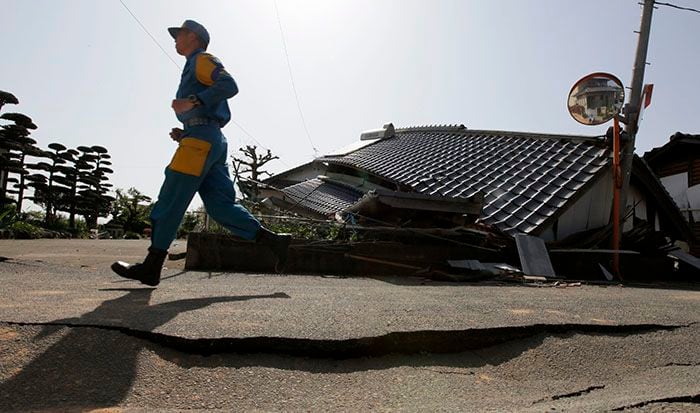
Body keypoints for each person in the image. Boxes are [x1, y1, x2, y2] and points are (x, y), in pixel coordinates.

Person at [112, 20, 290, 286]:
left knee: (171, 199)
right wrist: (187, 131)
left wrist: (193, 102)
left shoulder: (201, 59)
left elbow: (229, 84)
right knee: (221, 206)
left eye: (178, 35)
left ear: (193, 36)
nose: (175, 40)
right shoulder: (192, 65)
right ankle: (273, 241)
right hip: (209, 140)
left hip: (201, 142)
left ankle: (151, 267)